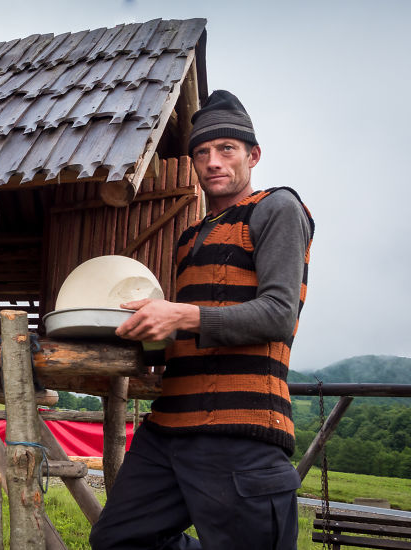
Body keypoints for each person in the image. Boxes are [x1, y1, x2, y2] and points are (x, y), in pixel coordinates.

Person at [89, 90, 314, 550]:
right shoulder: (191, 237)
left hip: (240, 430)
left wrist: (179, 314)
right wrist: (140, 336)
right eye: (202, 152)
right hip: (169, 430)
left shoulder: (278, 209)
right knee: (116, 541)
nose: (213, 161)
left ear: (253, 155)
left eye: (226, 149)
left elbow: (277, 314)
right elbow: (194, 327)